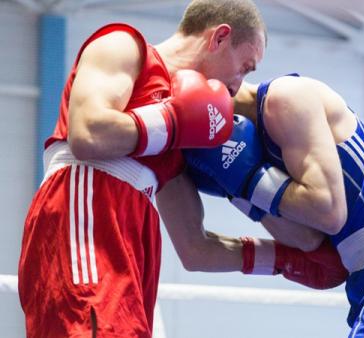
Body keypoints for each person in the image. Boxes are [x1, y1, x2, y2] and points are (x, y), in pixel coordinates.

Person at [18, 1, 267, 337]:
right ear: (220, 37)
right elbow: (88, 132)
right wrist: (172, 120)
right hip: (87, 215)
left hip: (134, 248)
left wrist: (287, 261)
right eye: (245, 67)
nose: (238, 85)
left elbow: (195, 247)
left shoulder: (177, 142)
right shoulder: (123, 46)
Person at [184, 74, 364, 337]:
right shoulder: (263, 149)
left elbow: (330, 215)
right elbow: (307, 239)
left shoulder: (288, 97)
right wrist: (238, 187)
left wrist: (249, 179)